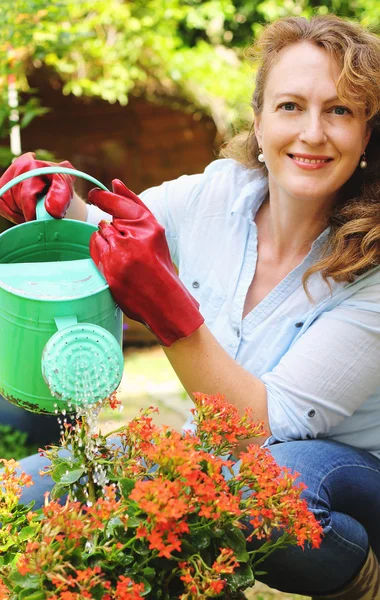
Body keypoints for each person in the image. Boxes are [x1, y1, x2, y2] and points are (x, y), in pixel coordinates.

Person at [1, 13, 380, 600]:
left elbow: (264, 427)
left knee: (263, 490)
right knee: (22, 494)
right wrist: (55, 205)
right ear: (256, 122)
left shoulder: (373, 265)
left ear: (366, 135)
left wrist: (169, 312)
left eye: (339, 110)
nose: (312, 132)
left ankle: (360, 578)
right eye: (289, 107)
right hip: (212, 456)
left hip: (343, 482)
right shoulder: (219, 193)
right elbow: (116, 236)